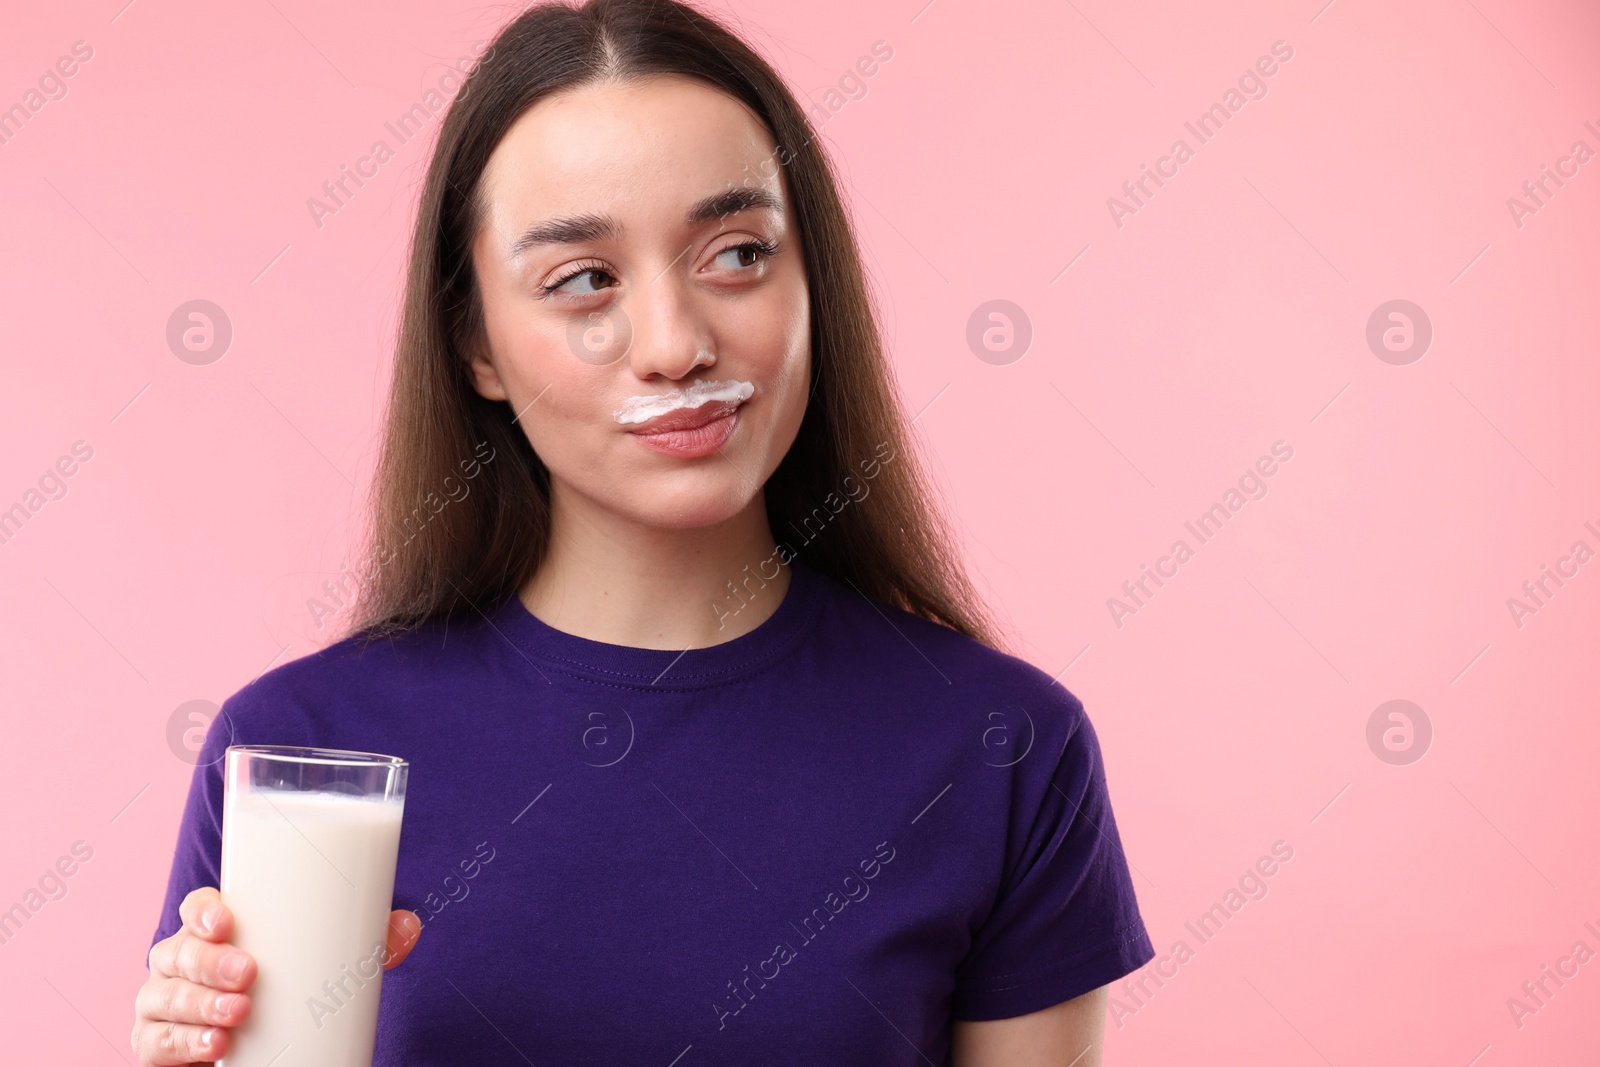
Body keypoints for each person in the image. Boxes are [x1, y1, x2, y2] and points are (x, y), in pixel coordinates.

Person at [131, 0, 1154, 1063]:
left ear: (817, 282)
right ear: (476, 345)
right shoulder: (304, 751)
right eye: (584, 280)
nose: (673, 344)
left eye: (737, 252)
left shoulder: (1000, 748)